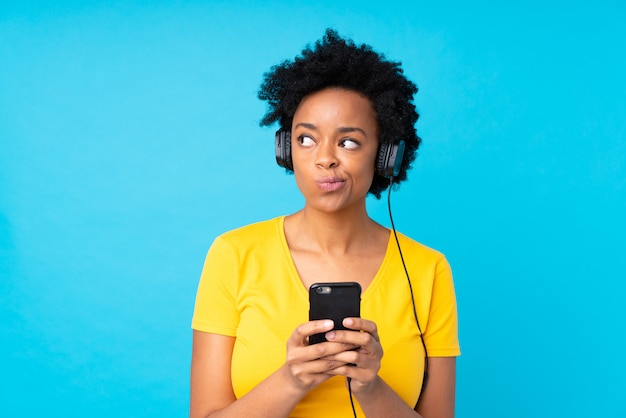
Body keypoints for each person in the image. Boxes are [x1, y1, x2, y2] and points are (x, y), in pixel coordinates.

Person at [190, 29, 460, 418]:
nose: (325, 159)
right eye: (305, 139)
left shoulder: (428, 270)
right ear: (286, 151)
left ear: (385, 156)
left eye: (348, 142)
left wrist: (369, 387)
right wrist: (291, 380)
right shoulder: (234, 254)